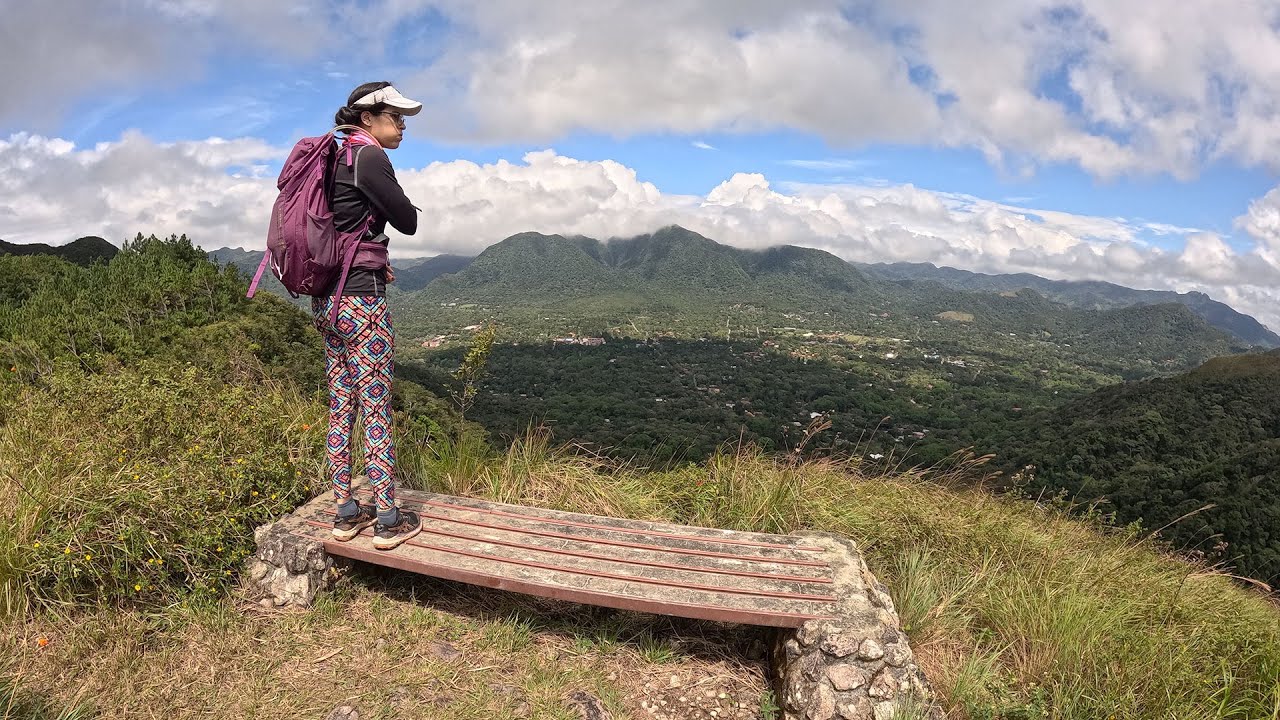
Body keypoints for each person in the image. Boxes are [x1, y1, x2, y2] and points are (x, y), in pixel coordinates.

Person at [318, 81, 422, 550]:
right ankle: (387, 518)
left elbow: (342, 228)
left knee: (342, 406)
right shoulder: (369, 156)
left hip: (328, 301)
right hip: (362, 303)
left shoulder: (334, 156)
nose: (402, 126)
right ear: (367, 118)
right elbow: (408, 219)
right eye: (395, 117)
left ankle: (345, 512)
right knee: (376, 409)